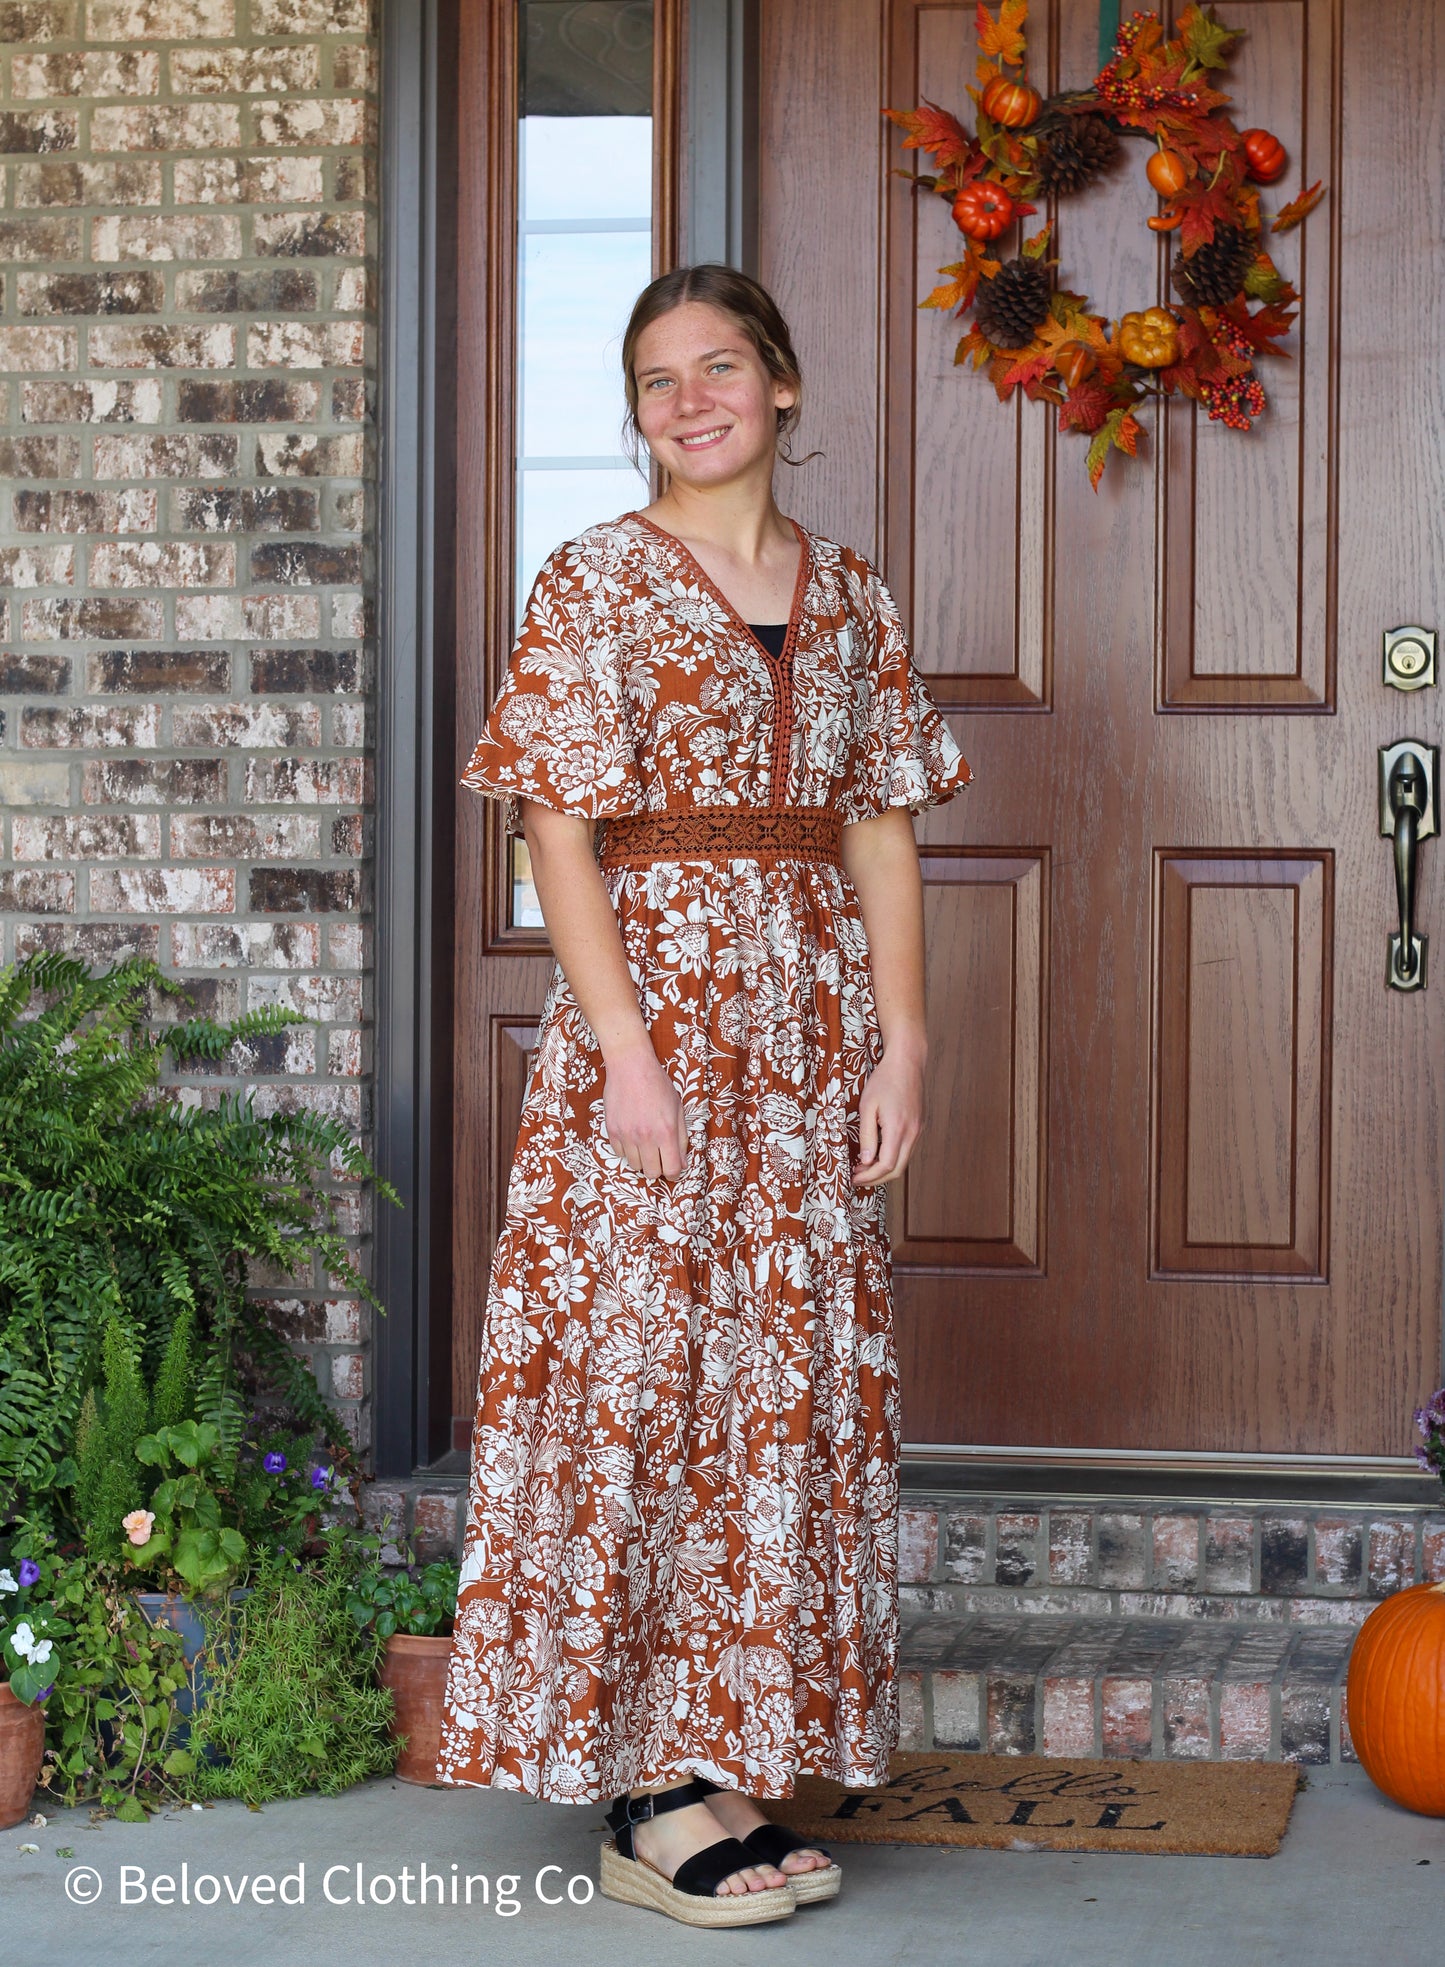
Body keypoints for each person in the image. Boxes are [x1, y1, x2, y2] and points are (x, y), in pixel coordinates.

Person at [435, 263, 972, 1928]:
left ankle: (729, 1751)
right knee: (644, 1374)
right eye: (657, 377)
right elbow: (554, 832)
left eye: (718, 365)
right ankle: (646, 1792)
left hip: (810, 1034)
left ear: (784, 387)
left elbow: (880, 823)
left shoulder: (854, 594)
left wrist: (904, 1037)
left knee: (780, 1377)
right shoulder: (590, 580)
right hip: (654, 1031)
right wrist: (623, 1055)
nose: (688, 399)